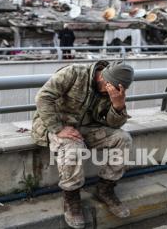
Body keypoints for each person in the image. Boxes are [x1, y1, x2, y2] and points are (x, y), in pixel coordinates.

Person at [32, 61, 134, 229]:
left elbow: (114, 125)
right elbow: (43, 97)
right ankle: (71, 199)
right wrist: (58, 128)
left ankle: (105, 189)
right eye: (110, 88)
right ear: (103, 78)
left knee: (123, 139)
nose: (110, 92)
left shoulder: (115, 90)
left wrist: (118, 105)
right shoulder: (74, 73)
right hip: (56, 125)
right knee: (74, 149)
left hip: (87, 128)